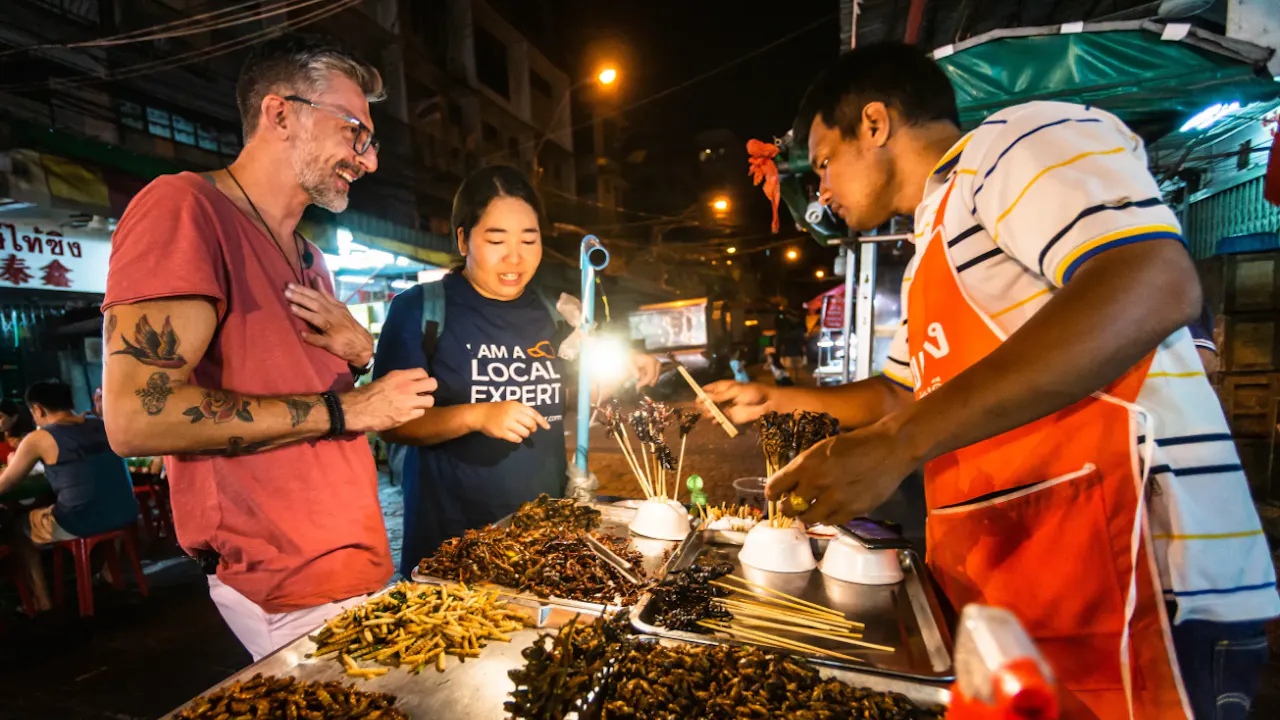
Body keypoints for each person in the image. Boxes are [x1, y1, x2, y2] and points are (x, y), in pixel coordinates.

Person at [706, 43, 1277, 719]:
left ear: (875, 124)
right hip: (1027, 588)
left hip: (1142, 580)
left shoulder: (1015, 143)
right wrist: (781, 397)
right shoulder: (929, 251)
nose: (821, 190)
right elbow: (901, 394)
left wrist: (900, 445)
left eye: (824, 162)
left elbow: (1153, 281)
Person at [101, 34, 437, 660]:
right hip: (284, 585)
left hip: (353, 567)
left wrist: (363, 354)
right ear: (280, 113)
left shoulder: (311, 259)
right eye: (353, 133)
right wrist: (347, 409)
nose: (366, 161)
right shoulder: (184, 208)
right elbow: (137, 416)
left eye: (370, 142)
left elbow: (323, 389)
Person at [373, 165, 658, 576]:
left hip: (543, 538)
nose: (515, 257)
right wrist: (477, 415)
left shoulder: (555, 314)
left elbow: (577, 395)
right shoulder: (419, 310)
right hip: (452, 542)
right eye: (495, 239)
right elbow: (391, 425)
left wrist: (620, 365)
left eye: (529, 239)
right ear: (462, 238)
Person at [0, 380, 138, 611]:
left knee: (17, 528)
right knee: (99, 499)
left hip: (81, 521)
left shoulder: (40, 438)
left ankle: (42, 600)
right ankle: (108, 573)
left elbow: (7, 482)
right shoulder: (101, 424)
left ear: (38, 409)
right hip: (126, 512)